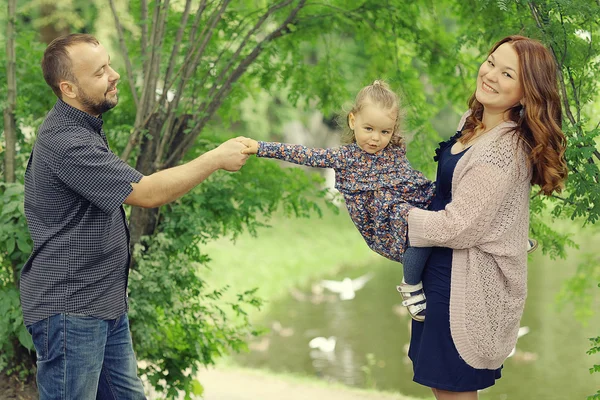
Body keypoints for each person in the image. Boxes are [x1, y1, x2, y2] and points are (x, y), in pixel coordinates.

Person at [21, 33, 249, 399]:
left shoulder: (83, 127)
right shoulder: (66, 141)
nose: (114, 75)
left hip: (103, 305)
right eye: (100, 72)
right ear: (69, 88)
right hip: (71, 310)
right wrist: (215, 158)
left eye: (109, 64)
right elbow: (147, 193)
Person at [365, 36, 567, 400]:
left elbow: (459, 226)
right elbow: (451, 193)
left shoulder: (504, 150)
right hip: (439, 268)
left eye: (507, 74)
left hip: (464, 281)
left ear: (525, 92)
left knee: (453, 389)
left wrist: (398, 214)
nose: (490, 75)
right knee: (440, 384)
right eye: (491, 62)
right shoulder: (472, 123)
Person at [238, 81, 536, 322]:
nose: (376, 138)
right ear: (353, 120)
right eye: (368, 129)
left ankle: (500, 238)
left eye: (385, 131)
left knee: (456, 206)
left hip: (413, 197)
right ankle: (411, 285)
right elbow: (302, 153)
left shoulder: (394, 149)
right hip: (384, 218)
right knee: (420, 237)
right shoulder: (345, 156)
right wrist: (260, 147)